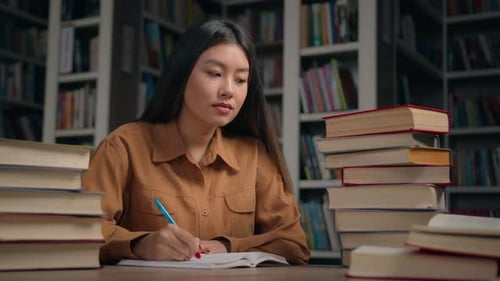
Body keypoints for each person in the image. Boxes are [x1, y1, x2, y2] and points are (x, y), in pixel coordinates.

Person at [82, 18, 310, 265]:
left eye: (241, 79)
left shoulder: (253, 156)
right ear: (182, 74)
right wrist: (140, 244)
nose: (228, 90)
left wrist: (226, 246)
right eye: (215, 73)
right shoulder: (123, 147)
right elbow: (80, 231)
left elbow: (294, 244)